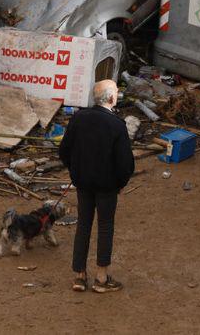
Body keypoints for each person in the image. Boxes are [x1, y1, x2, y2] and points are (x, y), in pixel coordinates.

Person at [58, 78, 134, 293]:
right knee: (105, 226)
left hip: (83, 183)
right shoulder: (117, 125)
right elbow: (125, 163)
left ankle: (79, 276)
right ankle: (102, 278)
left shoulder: (78, 118)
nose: (117, 95)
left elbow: (64, 151)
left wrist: (76, 171)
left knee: (83, 224)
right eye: (117, 92)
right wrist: (120, 183)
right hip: (107, 186)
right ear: (111, 98)